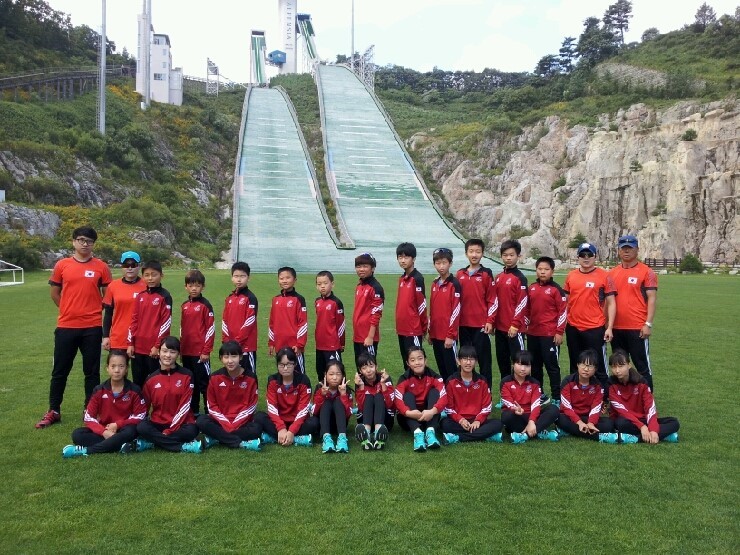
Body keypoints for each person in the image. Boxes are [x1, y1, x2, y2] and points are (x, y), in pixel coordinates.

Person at [37, 226, 113, 429]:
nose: (85, 244)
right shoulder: (62, 265)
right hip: (66, 326)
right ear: (73, 242)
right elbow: (55, 293)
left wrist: (94, 312)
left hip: (92, 327)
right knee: (60, 371)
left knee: (92, 372)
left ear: (93, 244)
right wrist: (68, 310)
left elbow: (108, 296)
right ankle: (54, 410)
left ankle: (90, 410)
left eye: (89, 241)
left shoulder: (101, 267)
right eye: (81, 240)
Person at [123, 336, 202, 454]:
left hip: (182, 422)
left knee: (192, 430)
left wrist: (169, 431)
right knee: (142, 427)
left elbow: (185, 406)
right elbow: (144, 408)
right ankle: (182, 447)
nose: (168, 355)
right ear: (159, 352)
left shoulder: (187, 375)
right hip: (158, 423)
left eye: (172, 352)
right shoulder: (151, 379)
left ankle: (152, 442)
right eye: (164, 351)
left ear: (178, 354)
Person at [62, 350, 146, 457]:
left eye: (121, 366)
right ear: (107, 368)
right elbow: (88, 417)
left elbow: (140, 415)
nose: (117, 370)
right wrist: (104, 432)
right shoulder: (99, 390)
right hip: (105, 430)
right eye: (113, 366)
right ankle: (123, 445)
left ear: (126, 369)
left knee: (131, 431)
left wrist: (118, 424)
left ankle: (87, 451)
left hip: (124, 429)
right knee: (78, 434)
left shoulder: (134, 390)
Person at [563, 242, 616, 389]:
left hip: (595, 328)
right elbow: (565, 301)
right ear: (578, 257)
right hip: (573, 327)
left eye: (589, 255)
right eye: (582, 255)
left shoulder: (604, 276)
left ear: (595, 256)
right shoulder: (571, 275)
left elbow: (611, 303)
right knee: (576, 364)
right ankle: (575, 394)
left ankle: (604, 395)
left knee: (598, 365)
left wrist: (609, 327)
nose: (586, 258)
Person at [609, 235, 658, 391]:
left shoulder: (647, 272)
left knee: (642, 366)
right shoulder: (612, 273)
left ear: (637, 249)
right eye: (623, 248)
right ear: (618, 250)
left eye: (630, 248)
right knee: (619, 367)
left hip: (637, 328)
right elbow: (608, 301)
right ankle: (623, 398)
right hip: (616, 328)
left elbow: (652, 299)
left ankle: (648, 399)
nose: (626, 251)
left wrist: (648, 324)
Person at [195, 341, 261, 452]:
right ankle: (240, 443)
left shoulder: (251, 378)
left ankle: (217, 438)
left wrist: (234, 425)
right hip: (220, 421)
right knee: (201, 421)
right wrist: (226, 424)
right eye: (226, 357)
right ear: (221, 358)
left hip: (242, 422)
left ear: (240, 357)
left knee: (257, 427)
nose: (230, 361)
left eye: (234, 356)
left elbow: (251, 406)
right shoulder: (214, 377)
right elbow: (211, 406)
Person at [608, 349, 679, 444]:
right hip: (626, 420)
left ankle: (635, 438)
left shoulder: (641, 382)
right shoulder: (611, 384)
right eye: (614, 367)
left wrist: (653, 429)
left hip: (643, 419)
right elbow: (622, 411)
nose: (617, 370)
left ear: (629, 365)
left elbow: (650, 407)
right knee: (620, 424)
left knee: (674, 422)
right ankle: (661, 436)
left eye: (621, 366)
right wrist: (642, 427)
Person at [254, 347, 319, 447]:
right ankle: (297, 439)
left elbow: (303, 409)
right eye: (282, 365)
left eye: (289, 364)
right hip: (279, 421)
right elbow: (272, 407)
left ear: (295, 364)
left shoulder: (303, 380)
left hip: (297, 421)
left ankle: (275, 437)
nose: (285, 368)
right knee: (259, 417)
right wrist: (281, 428)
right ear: (277, 365)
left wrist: (292, 431)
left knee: (314, 422)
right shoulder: (272, 380)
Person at [441, 346, 503, 444]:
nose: (468, 362)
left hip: (477, 420)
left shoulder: (482, 381)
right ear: (458, 361)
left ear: (476, 362)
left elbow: (487, 406)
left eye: (471, 359)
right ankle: (485, 435)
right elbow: (448, 408)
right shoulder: (451, 381)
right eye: (465, 359)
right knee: (445, 424)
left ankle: (458, 437)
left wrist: (478, 420)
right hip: (458, 421)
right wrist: (461, 420)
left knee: (498, 424)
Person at [526, 256, 567, 406]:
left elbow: (563, 312)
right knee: (535, 366)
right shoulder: (532, 288)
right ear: (536, 270)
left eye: (546, 269)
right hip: (533, 334)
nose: (542, 272)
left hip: (549, 335)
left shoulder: (556, 289)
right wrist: (525, 327)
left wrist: (559, 332)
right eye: (540, 269)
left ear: (552, 271)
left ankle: (557, 397)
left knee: (552, 366)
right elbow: (527, 310)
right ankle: (540, 394)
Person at [455, 238, 496, 386]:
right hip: (463, 325)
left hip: (481, 325)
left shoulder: (486, 274)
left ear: (482, 254)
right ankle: (467, 389)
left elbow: (493, 299)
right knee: (466, 361)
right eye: (471, 251)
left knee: (484, 361)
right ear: (466, 253)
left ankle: (486, 391)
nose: (474, 254)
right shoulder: (460, 274)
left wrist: (490, 321)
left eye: (478, 251)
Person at [126, 260, 172, 388]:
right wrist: (130, 343)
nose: (150, 278)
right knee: (138, 383)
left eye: (154, 275)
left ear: (161, 275)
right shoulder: (140, 296)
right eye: (147, 275)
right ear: (143, 277)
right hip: (138, 348)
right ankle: (139, 402)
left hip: (153, 349)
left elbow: (166, 323)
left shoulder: (165, 296)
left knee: (155, 383)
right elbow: (133, 321)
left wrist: (157, 346)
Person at [500, 350, 559, 443]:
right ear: (513, 364)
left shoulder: (535, 383)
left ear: (531, 367)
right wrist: (515, 409)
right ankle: (539, 431)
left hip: (532, 416)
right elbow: (507, 402)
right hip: (516, 416)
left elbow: (536, 405)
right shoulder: (505, 382)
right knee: (506, 416)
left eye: (527, 365)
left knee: (554, 409)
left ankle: (524, 435)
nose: (523, 369)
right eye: (519, 364)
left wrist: (531, 421)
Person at [394, 347, 447, 452]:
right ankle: (417, 434)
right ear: (408, 363)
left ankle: (430, 432)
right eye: (412, 360)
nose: (417, 363)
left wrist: (432, 411)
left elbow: (444, 396)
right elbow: (397, 399)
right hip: (409, 419)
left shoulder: (434, 376)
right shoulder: (404, 378)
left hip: (429, 417)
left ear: (425, 360)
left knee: (434, 392)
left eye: (420, 358)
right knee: (407, 396)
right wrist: (408, 413)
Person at [557, 349, 616, 442]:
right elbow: (566, 407)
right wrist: (579, 422)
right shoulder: (567, 381)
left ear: (595, 369)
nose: (586, 369)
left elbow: (596, 408)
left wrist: (591, 423)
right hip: (570, 416)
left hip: (587, 417)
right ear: (577, 365)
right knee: (560, 418)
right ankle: (598, 436)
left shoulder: (598, 386)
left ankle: (571, 431)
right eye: (583, 364)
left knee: (609, 424)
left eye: (590, 366)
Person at [180, 269, 214, 416]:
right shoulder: (184, 305)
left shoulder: (206, 305)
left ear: (203, 287)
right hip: (186, 352)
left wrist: (206, 351)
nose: (194, 288)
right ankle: (193, 411)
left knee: (204, 383)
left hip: (200, 353)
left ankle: (209, 412)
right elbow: (182, 329)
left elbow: (210, 329)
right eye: (191, 285)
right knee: (190, 383)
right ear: (186, 287)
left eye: (197, 285)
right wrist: (181, 350)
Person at [493, 239, 528, 380]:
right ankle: (506, 391)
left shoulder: (520, 278)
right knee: (503, 363)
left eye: (511, 255)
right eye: (505, 255)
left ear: (518, 256)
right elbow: (495, 303)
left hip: (514, 329)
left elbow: (522, 303)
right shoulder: (498, 277)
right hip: (500, 329)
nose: (508, 258)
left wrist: (515, 324)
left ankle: (523, 391)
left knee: (520, 364)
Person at [102, 251, 146, 352]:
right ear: (122, 267)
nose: (130, 268)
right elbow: (108, 314)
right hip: (119, 338)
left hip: (141, 339)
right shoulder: (113, 286)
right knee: (117, 363)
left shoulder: (146, 285)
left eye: (133, 265)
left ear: (138, 266)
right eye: (126, 265)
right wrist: (106, 336)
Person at [428, 247, 462, 381]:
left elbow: (456, 311)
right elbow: (432, 310)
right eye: (438, 263)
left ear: (450, 263)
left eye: (444, 263)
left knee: (452, 369)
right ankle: (445, 393)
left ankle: (455, 393)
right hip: (436, 334)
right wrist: (430, 332)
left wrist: (451, 335)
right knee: (441, 368)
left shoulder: (454, 284)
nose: (441, 266)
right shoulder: (434, 284)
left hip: (448, 335)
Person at [268, 266, 308, 373]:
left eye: (288, 278)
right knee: (282, 373)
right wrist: (271, 342)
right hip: (279, 344)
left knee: (299, 375)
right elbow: (272, 322)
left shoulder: (299, 299)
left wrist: (299, 344)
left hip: (294, 346)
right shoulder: (275, 299)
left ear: (295, 280)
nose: (284, 281)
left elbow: (303, 324)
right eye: (281, 278)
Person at [222, 261, 259, 376]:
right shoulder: (229, 298)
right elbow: (224, 320)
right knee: (232, 375)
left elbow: (250, 321)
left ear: (248, 278)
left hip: (246, 346)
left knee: (249, 376)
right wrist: (227, 341)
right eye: (236, 276)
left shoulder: (251, 298)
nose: (239, 279)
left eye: (242, 276)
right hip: (231, 345)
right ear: (232, 278)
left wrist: (237, 341)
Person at [395, 242, 428, 369]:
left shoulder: (417, 278)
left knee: (416, 363)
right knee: (407, 363)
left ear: (413, 259)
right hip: (402, 328)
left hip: (413, 329)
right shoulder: (402, 278)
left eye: (406, 257)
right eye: (400, 257)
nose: (403, 260)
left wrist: (423, 328)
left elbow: (422, 305)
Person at [353, 352, 394, 450]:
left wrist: (383, 384)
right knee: (369, 397)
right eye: (364, 368)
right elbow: (360, 407)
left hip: (385, 421)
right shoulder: (359, 381)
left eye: (371, 366)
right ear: (360, 370)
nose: (368, 370)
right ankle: (366, 433)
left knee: (378, 396)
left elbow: (390, 404)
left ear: (376, 366)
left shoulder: (385, 378)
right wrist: (361, 386)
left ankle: (378, 432)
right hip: (365, 420)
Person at [352, 252, 385, 368]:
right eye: (358, 266)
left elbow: (376, 314)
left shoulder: (376, 288)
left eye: (365, 266)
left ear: (373, 268)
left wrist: (370, 336)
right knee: (360, 368)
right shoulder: (359, 286)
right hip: (358, 336)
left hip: (368, 337)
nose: (361, 269)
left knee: (369, 368)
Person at [313, 361, 352, 454]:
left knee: (338, 402)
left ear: (343, 376)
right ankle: (326, 438)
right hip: (323, 423)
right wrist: (322, 395)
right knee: (326, 402)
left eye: (338, 374)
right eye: (331, 374)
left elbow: (348, 414)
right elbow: (314, 412)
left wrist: (343, 395)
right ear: (325, 375)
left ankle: (342, 438)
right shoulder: (319, 387)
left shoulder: (346, 389)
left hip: (340, 424)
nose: (334, 377)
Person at [314, 270, 345, 383]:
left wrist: (341, 343)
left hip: (332, 345)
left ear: (332, 284)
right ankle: (322, 393)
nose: (322, 286)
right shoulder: (317, 301)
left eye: (325, 283)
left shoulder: (336, 303)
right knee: (321, 372)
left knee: (336, 373)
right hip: (319, 345)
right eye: (319, 284)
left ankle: (341, 393)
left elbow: (341, 325)